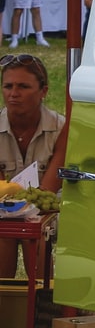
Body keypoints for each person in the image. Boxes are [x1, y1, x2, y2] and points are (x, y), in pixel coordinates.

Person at [0, 53, 66, 283]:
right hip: (4, 207)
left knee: (36, 234)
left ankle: (41, 304)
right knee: (3, 236)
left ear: (44, 91)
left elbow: (47, 192)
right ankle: (7, 301)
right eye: (8, 86)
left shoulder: (62, 128)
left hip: (47, 207)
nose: (13, 93)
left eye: (23, 86)